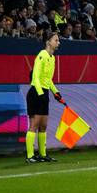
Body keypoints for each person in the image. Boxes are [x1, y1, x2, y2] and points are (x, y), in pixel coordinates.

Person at [26, 31, 64, 163]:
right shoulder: (41, 55)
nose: (58, 42)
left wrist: (56, 92)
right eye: (56, 40)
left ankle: (42, 154)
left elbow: (48, 79)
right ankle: (30, 156)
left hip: (44, 92)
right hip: (36, 93)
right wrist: (41, 93)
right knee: (34, 125)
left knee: (44, 125)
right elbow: (35, 76)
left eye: (58, 40)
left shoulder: (52, 58)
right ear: (48, 42)